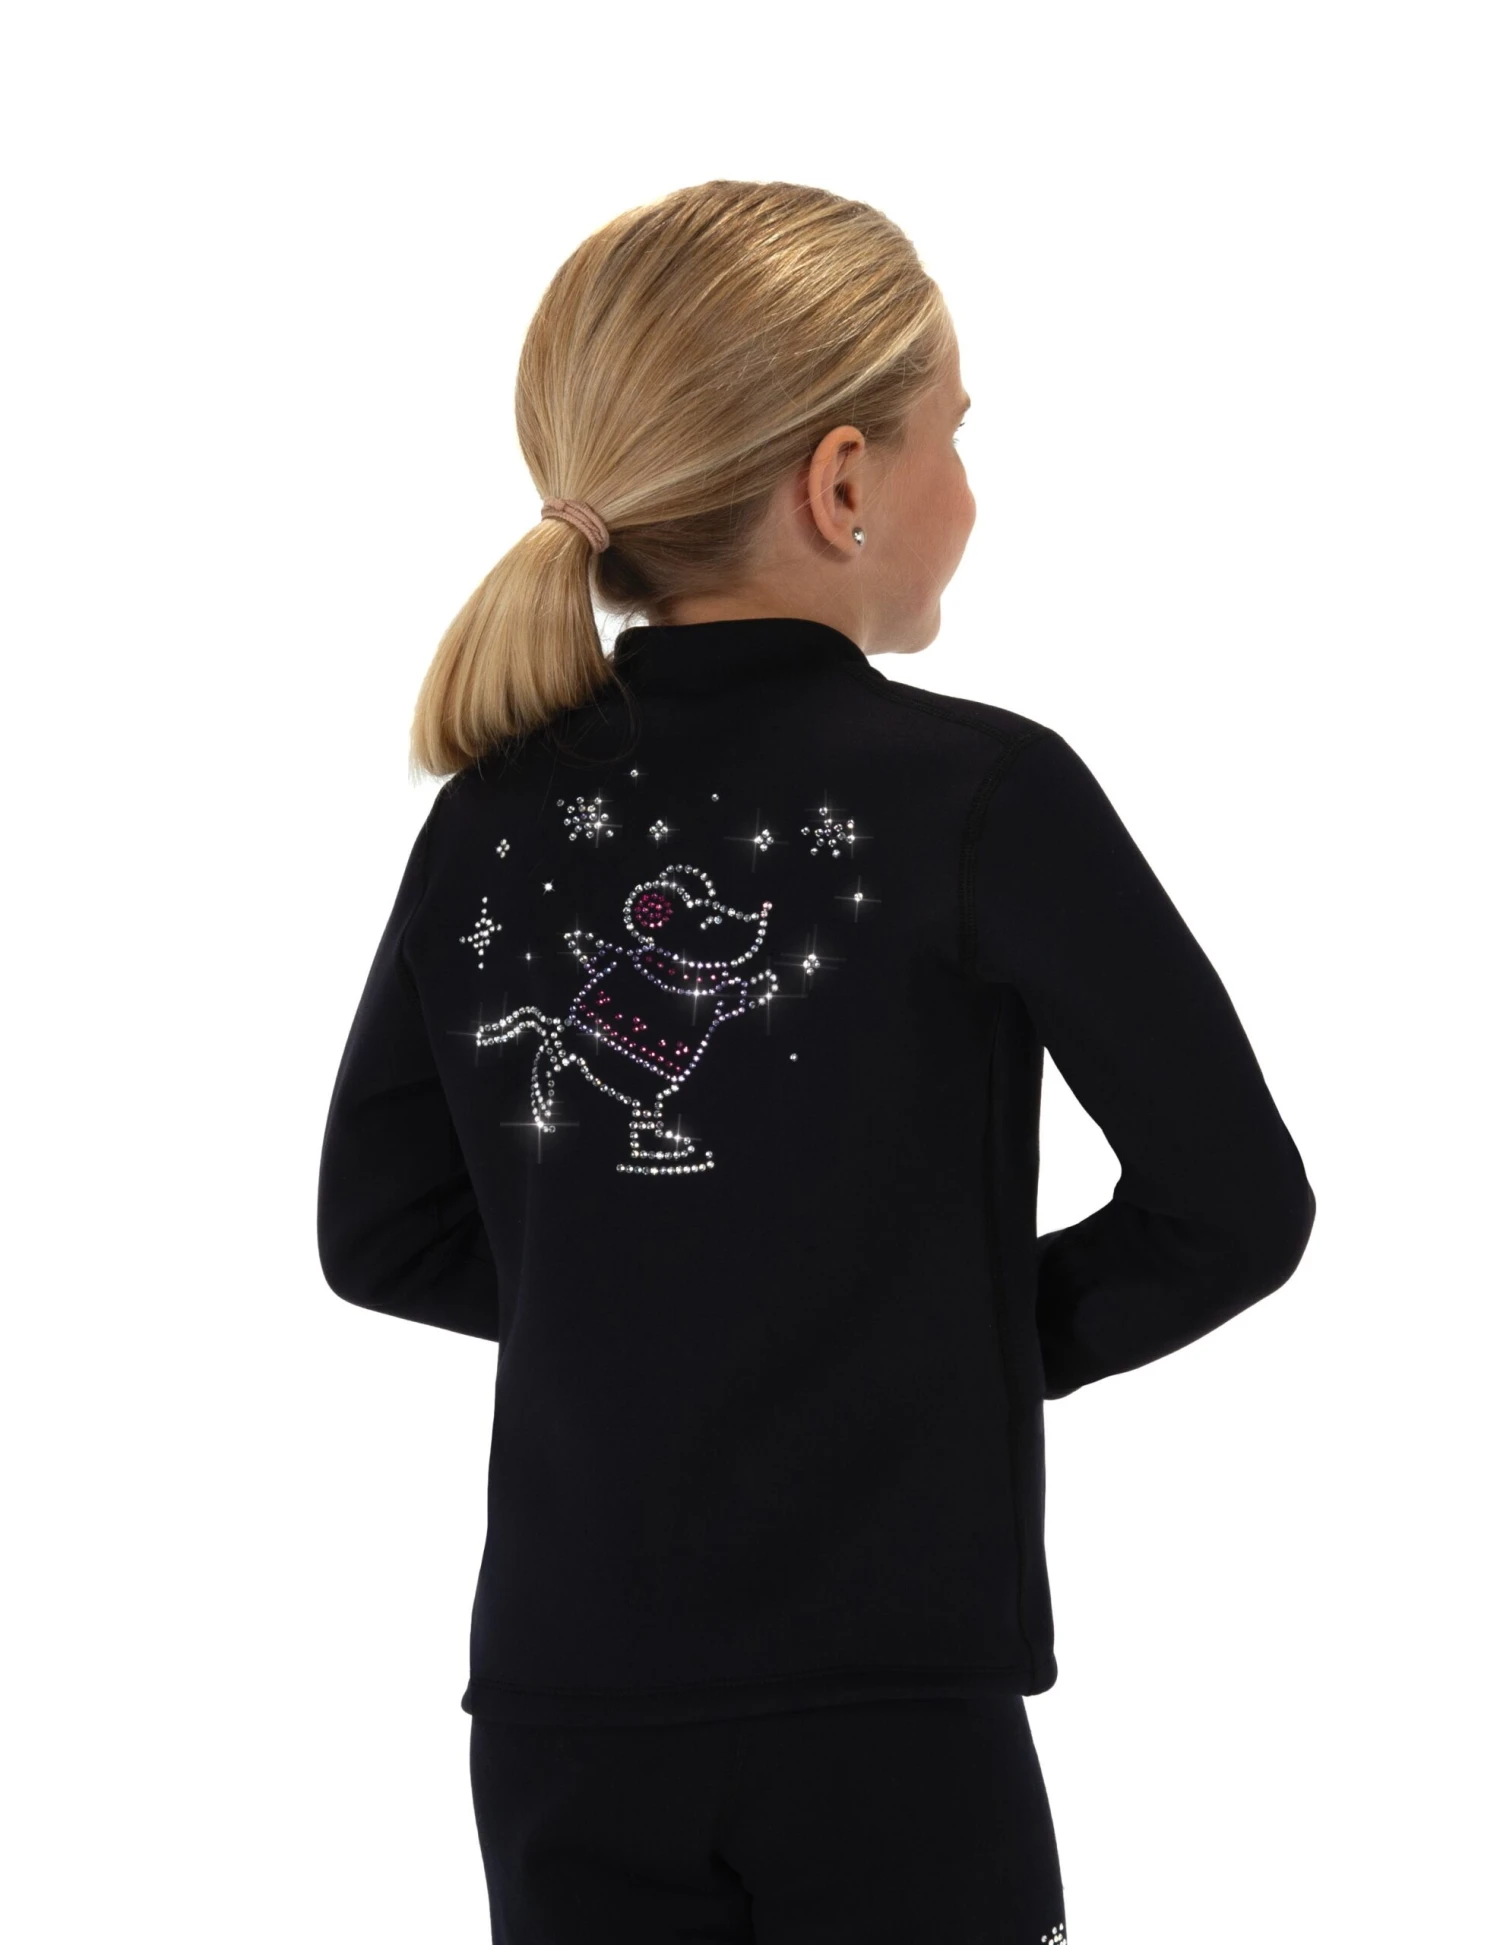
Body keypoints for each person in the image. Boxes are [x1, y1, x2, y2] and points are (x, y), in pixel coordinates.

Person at [317, 178, 1315, 1944]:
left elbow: (381, 1235)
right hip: (886, 1704)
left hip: (561, 1711)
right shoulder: (985, 793)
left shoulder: (492, 811)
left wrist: (658, 1314)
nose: (970, 488)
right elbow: (1235, 1207)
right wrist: (939, 1350)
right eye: (957, 435)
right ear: (843, 483)